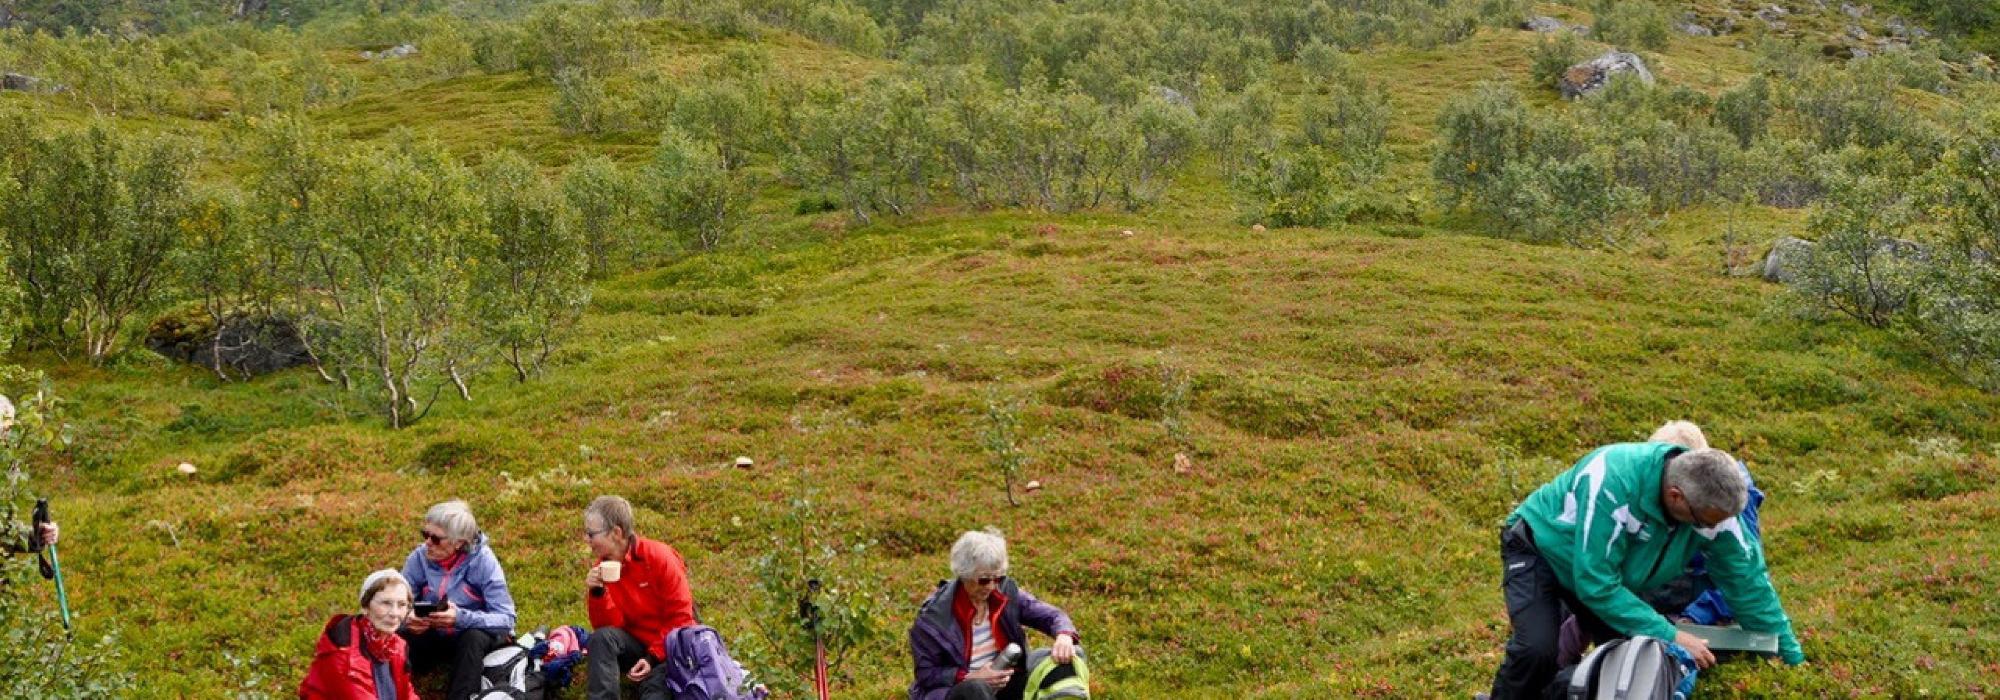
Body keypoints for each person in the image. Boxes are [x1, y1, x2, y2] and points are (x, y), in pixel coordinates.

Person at [1485, 442, 1803, 700]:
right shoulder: (1611, 482)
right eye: (1705, 522)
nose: (1713, 530)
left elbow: (1748, 583)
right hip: (1540, 550)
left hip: (1603, 575)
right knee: (1537, 650)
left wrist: (1792, 660)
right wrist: (1673, 634)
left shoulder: (1715, 511)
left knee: (1637, 661)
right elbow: (1595, 584)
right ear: (1676, 497)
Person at [909, 528, 1081, 700]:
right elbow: (926, 674)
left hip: (1005, 683)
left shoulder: (1005, 592)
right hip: (959, 690)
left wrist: (1064, 635)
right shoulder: (933, 617)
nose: (991, 586)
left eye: (997, 578)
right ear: (964, 574)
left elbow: (1051, 616)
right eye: (983, 580)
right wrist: (971, 677)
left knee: (1070, 655)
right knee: (975, 689)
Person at [400, 500, 518, 700]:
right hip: (433, 634)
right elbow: (395, 602)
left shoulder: (483, 561)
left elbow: (506, 619)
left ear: (459, 543)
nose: (427, 542)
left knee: (472, 638)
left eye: (436, 538)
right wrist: (407, 617)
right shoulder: (419, 557)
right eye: (425, 535)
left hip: (473, 640)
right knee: (397, 635)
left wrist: (460, 618)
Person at [582, 495, 695, 700]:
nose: (586, 540)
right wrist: (598, 593)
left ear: (616, 532)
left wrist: (652, 657)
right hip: (637, 642)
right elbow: (609, 627)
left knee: (654, 690)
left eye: (591, 534)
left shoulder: (659, 557)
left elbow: (682, 618)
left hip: (672, 646)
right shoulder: (602, 569)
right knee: (600, 639)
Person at [301, 569, 421, 699]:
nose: (395, 613)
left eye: (402, 605)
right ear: (365, 606)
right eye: (386, 603)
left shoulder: (396, 645)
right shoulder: (342, 651)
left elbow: (406, 692)